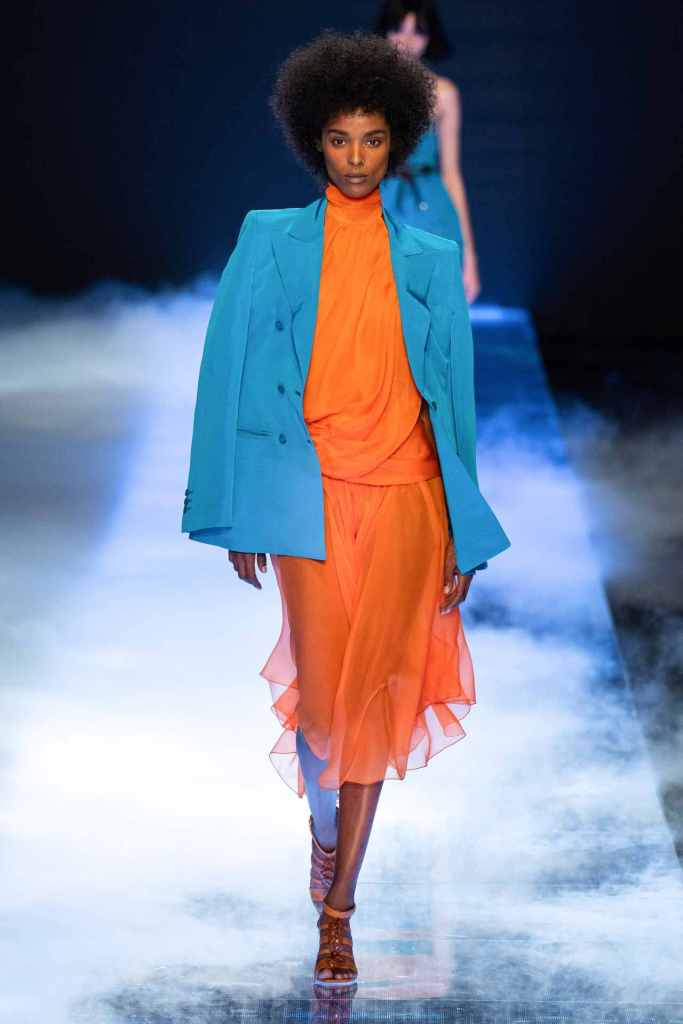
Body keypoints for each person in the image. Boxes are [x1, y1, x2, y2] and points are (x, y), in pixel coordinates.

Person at [181, 29, 510, 988]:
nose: (357, 157)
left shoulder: (429, 255)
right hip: (308, 501)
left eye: (372, 139)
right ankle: (325, 839)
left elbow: (453, 401)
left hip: (408, 498)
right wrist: (235, 511)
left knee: (373, 707)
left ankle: (339, 913)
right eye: (339, 139)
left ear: (396, 140)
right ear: (312, 141)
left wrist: (461, 531)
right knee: (324, 714)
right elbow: (227, 373)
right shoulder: (267, 239)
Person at [375, 1, 482, 303]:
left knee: (430, 316)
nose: (406, 40)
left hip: (431, 211)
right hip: (377, 207)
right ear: (384, 31)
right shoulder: (361, 91)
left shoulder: (444, 94)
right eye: (398, 28)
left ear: (430, 37)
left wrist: (470, 255)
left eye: (418, 31)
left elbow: (452, 174)